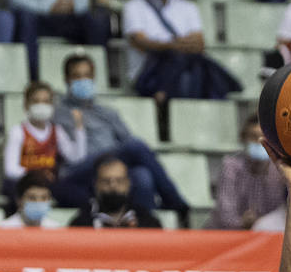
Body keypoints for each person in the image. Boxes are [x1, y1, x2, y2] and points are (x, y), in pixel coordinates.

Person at [51, 53, 190, 217]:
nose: (83, 81)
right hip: (79, 170)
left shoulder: (107, 112)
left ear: (94, 78)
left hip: (112, 168)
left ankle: (145, 230)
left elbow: (127, 141)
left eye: (87, 75)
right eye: (77, 76)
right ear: (67, 79)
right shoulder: (58, 113)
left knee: (142, 176)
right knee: (136, 146)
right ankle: (176, 202)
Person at [123, 0, 235, 102]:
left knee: (190, 66)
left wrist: (175, 46)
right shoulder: (134, 6)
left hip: (185, 70)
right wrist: (172, 45)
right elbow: (140, 41)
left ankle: (164, 92)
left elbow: (199, 44)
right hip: (148, 73)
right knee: (183, 61)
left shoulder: (188, 7)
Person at [211, 115, 284, 229]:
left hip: (268, 235)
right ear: (243, 139)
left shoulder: (279, 170)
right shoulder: (230, 166)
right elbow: (225, 213)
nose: (259, 142)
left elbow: (281, 213)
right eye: (254, 137)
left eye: (264, 138)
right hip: (231, 234)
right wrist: (242, 222)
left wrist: (263, 223)